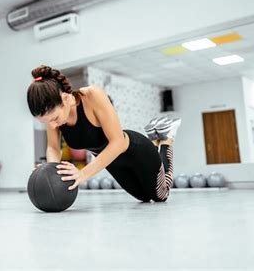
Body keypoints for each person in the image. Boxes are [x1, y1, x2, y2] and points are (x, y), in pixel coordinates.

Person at [27, 65, 181, 202]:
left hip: (135, 151)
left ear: (65, 98)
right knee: (144, 197)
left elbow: (118, 142)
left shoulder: (92, 95)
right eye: (47, 122)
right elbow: (53, 148)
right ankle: (156, 140)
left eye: (54, 119)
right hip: (112, 161)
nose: (52, 125)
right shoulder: (53, 117)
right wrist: (50, 170)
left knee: (160, 195)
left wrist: (83, 174)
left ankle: (165, 140)